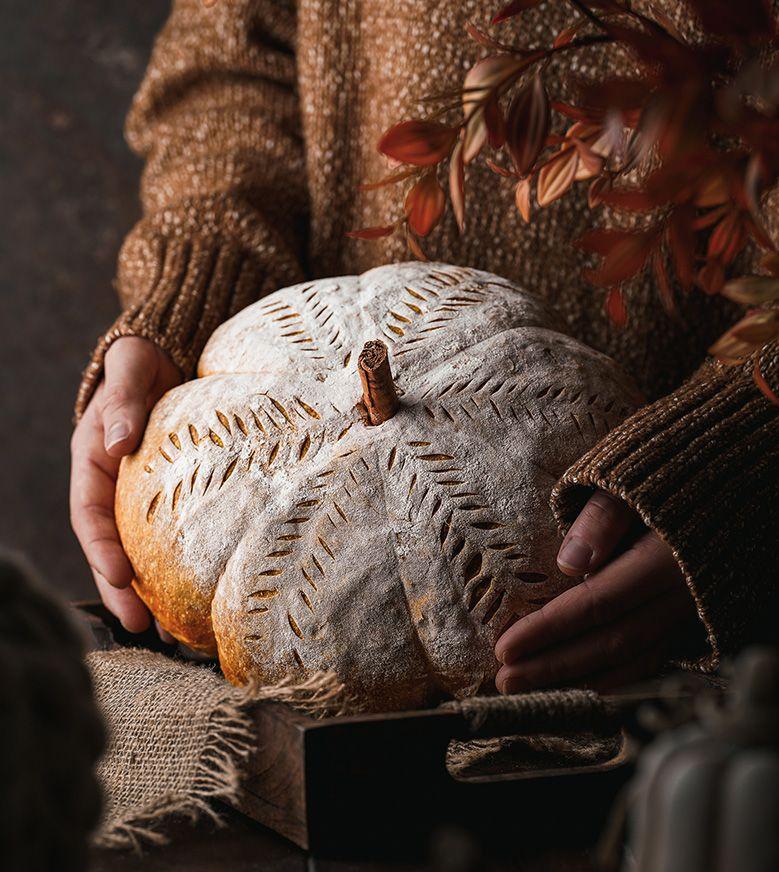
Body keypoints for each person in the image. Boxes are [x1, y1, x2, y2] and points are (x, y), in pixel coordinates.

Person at [70, 0, 778, 693]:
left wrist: (752, 446)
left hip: (712, 574)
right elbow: (235, 61)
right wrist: (205, 278)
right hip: (298, 343)